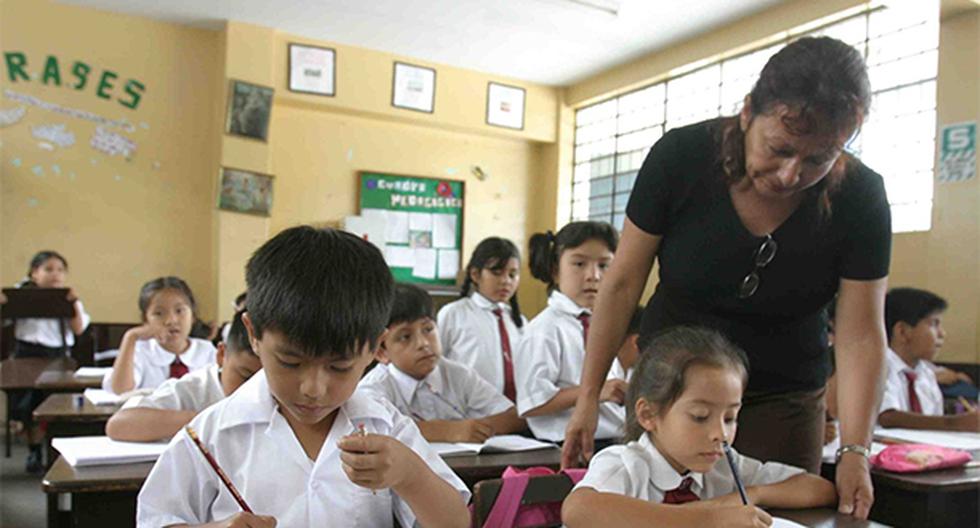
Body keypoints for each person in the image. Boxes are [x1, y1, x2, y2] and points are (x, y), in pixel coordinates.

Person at [562, 36, 891, 519]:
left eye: (818, 160)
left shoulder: (860, 197)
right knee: (651, 501)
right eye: (779, 148)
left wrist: (855, 450)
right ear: (747, 113)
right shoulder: (681, 157)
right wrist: (588, 395)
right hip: (677, 386)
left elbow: (862, 334)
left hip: (786, 390)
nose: (789, 174)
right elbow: (623, 281)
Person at [136, 226, 469, 528]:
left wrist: (410, 475)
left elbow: (456, 523)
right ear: (253, 334)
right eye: (290, 362)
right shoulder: (209, 435)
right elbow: (155, 520)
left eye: (339, 367)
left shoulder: (386, 427)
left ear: (375, 349)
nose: (313, 389)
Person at [562, 327, 836, 527]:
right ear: (648, 415)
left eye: (729, 418)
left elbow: (818, 489)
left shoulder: (725, 468)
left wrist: (753, 494)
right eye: (700, 416)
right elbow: (578, 509)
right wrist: (707, 518)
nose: (721, 434)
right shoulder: (626, 465)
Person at [359, 283, 525, 443]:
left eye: (428, 329)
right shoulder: (373, 388)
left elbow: (513, 417)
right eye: (405, 337)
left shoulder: (459, 375)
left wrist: (473, 429)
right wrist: (447, 431)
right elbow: (370, 433)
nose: (423, 343)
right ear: (381, 352)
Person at [514, 221, 628, 443]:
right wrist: (595, 391)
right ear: (556, 271)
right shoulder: (545, 329)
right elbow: (532, 402)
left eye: (604, 266)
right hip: (563, 446)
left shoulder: (602, 323)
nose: (593, 276)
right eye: (579, 264)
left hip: (613, 441)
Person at [106, 310, 261, 442]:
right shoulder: (194, 390)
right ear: (221, 355)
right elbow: (118, 425)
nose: (255, 390)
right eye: (245, 377)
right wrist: (212, 419)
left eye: (265, 381)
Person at [7, 251, 91, 473]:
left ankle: (54, 452)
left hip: (57, 356)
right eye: (48, 269)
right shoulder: (20, 294)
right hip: (26, 355)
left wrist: (73, 303)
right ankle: (34, 450)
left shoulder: (67, 297)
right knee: (28, 406)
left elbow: (79, 328)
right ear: (34, 273)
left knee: (55, 406)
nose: (55, 274)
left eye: (60, 270)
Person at [878, 288, 979, 432]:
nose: (942, 334)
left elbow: (933, 422)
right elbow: (888, 417)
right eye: (934, 324)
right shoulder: (879, 366)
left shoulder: (925, 373)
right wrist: (955, 423)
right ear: (902, 331)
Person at [438, 237, 526, 399]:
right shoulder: (454, 313)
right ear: (475, 274)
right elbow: (436, 364)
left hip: (514, 411)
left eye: (512, 275)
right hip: (467, 410)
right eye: (496, 273)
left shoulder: (518, 321)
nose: (506, 281)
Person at [103, 277, 216, 394]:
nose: (170, 320)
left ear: (193, 316)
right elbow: (121, 390)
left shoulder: (207, 351)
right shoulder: (141, 351)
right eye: (159, 313)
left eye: (179, 311)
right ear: (145, 320)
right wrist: (130, 337)